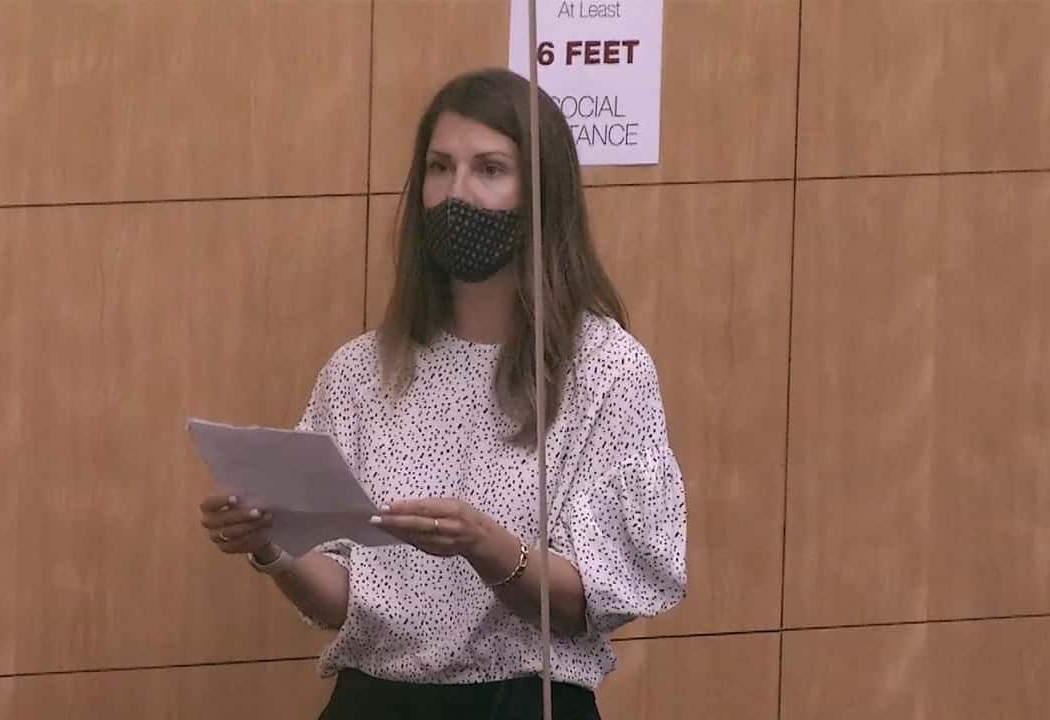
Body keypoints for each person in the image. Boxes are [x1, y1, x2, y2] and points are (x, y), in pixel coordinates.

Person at [199, 67, 687, 719]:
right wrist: (269, 544)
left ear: (542, 191)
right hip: (373, 701)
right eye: (439, 167)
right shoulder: (360, 370)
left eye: (489, 169)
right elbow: (339, 605)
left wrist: (483, 543)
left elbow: (588, 602)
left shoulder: (605, 369)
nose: (457, 194)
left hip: (522, 702)